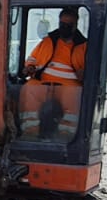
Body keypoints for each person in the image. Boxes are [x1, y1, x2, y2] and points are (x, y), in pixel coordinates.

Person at [19, 7, 87, 138]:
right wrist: (30, 67)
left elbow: (90, 68)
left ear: (76, 25)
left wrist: (84, 74)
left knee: (75, 97)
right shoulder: (48, 41)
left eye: (69, 25)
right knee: (28, 89)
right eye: (62, 24)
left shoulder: (83, 45)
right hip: (43, 82)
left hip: (71, 84)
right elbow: (33, 59)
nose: (65, 27)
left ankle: (66, 136)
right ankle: (30, 132)